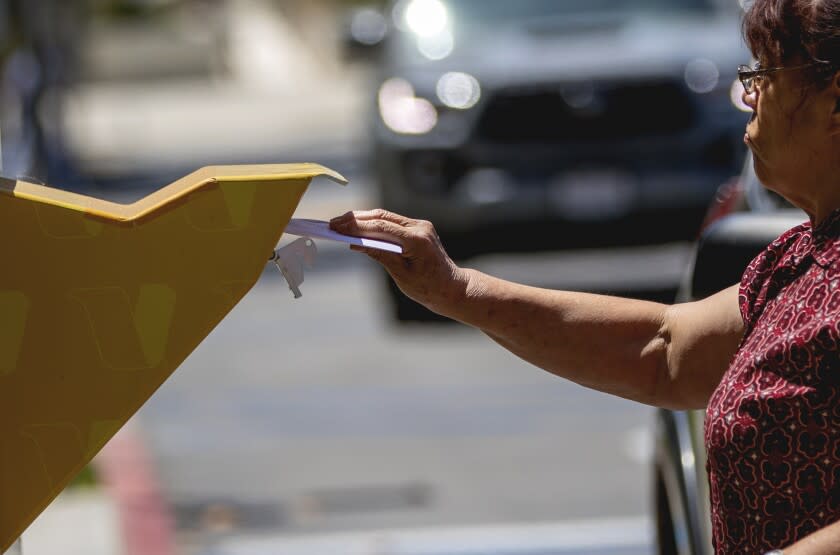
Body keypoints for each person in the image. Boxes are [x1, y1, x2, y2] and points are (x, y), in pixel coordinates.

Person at [330, 0, 840, 553]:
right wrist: (454, 289)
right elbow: (663, 351)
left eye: (764, 73)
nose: (747, 95)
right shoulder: (796, 258)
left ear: (836, 101)